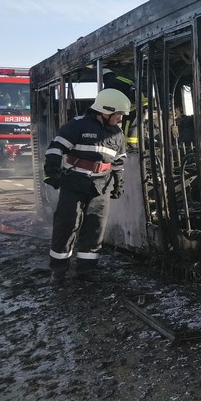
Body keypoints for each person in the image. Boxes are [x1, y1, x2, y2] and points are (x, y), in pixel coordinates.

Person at [43, 88, 131, 283]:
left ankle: (86, 270)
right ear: (105, 111)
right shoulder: (78, 125)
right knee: (67, 224)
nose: (120, 118)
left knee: (95, 228)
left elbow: (117, 163)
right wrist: (52, 172)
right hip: (74, 183)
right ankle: (58, 270)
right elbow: (56, 148)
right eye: (118, 114)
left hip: (101, 187)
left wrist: (118, 184)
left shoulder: (117, 135)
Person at [103, 68, 139, 150]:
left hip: (134, 106)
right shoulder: (121, 79)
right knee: (134, 126)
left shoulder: (109, 82)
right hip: (141, 104)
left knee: (127, 127)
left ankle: (129, 148)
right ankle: (132, 146)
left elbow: (106, 97)